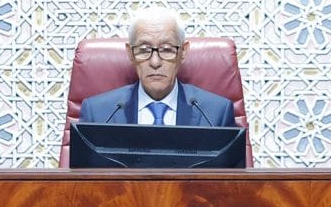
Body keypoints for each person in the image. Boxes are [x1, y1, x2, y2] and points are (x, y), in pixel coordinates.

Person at [77, 7, 236, 128]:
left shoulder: (216, 113)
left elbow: (230, 172)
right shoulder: (98, 114)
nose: (155, 62)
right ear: (130, 54)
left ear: (183, 52)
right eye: (144, 50)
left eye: (167, 50)